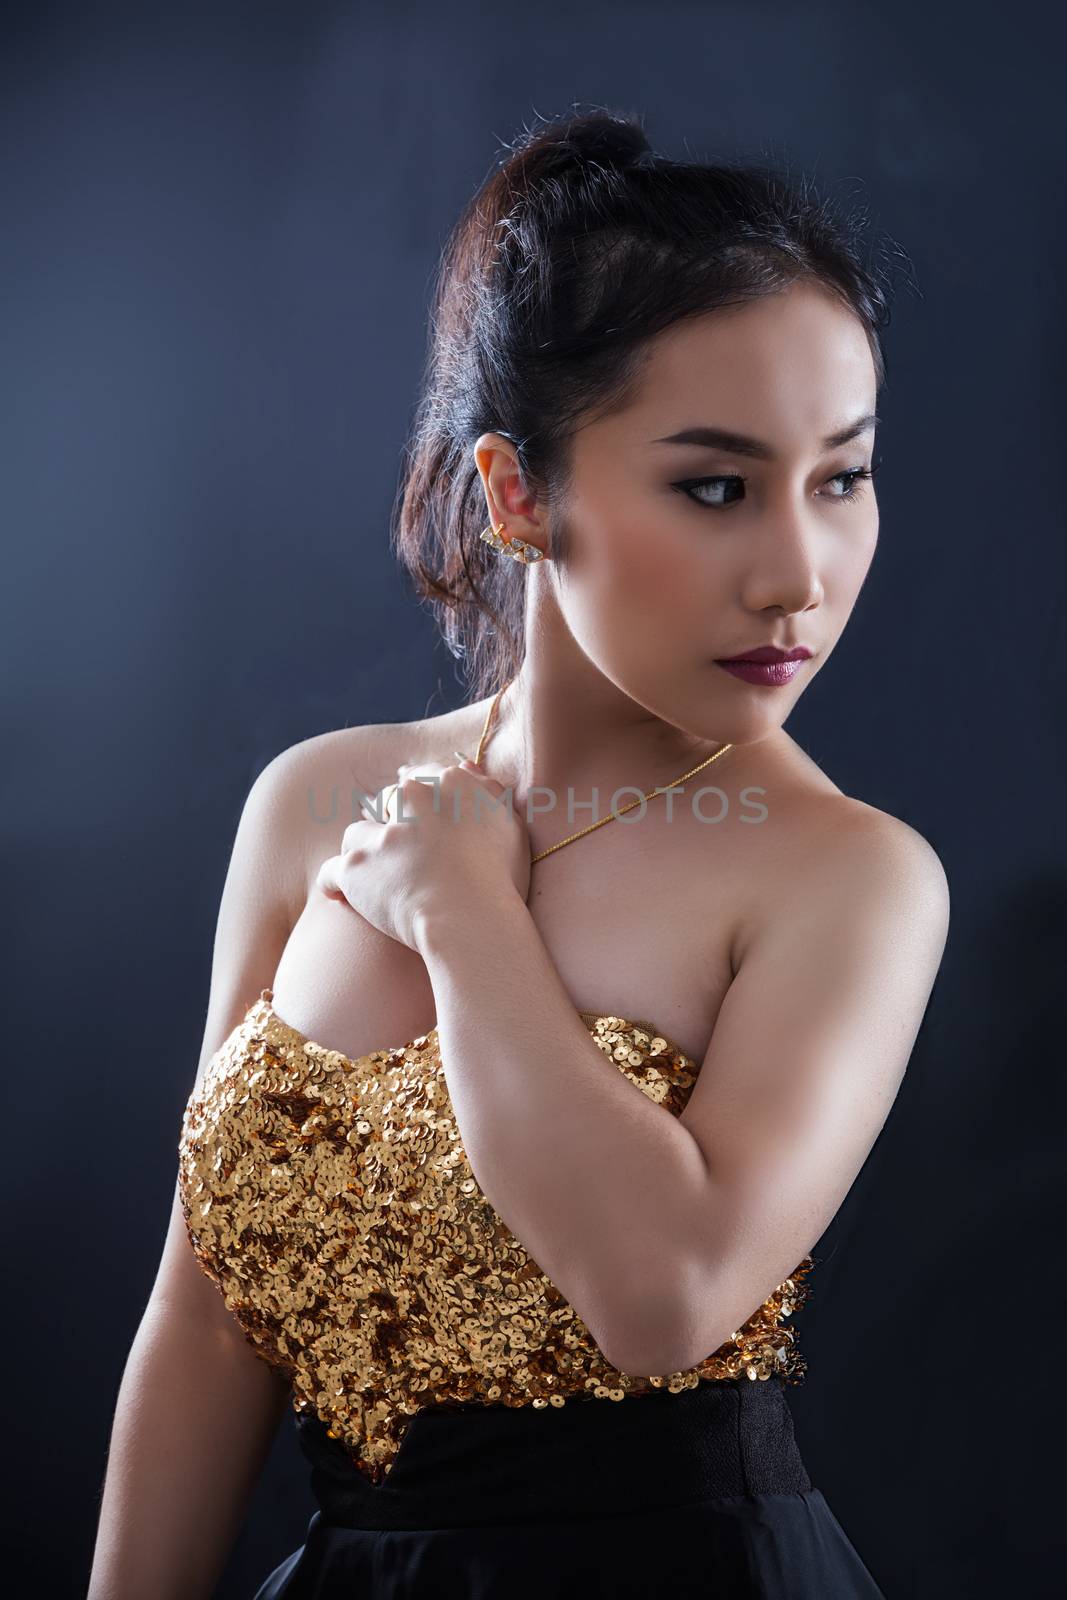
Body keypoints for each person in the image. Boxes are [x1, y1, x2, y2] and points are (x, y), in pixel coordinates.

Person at [88, 106, 950, 1599]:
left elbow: (663, 1295)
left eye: (842, 477)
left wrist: (463, 904)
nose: (800, 575)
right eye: (716, 484)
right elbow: (208, 1316)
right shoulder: (317, 802)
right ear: (517, 495)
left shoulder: (848, 875)